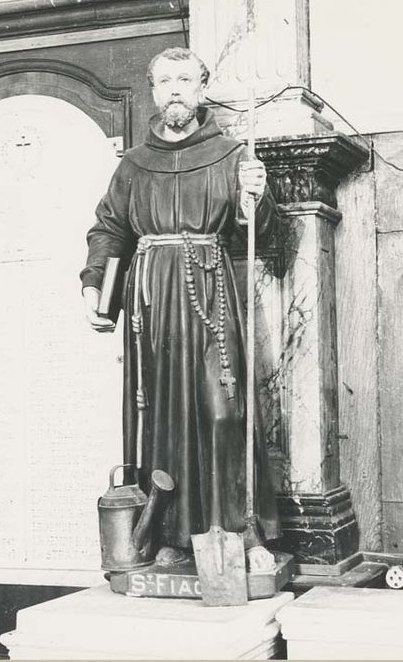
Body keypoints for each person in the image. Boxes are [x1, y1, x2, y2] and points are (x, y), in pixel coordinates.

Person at [81, 47, 280, 571]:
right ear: (152, 90)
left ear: (201, 87)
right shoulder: (133, 165)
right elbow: (109, 230)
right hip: (150, 300)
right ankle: (169, 534)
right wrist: (93, 288)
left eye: (185, 79)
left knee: (223, 411)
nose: (174, 89)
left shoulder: (233, 154)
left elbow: (263, 235)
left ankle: (241, 531)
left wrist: (253, 200)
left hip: (209, 293)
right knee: (161, 418)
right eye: (164, 80)